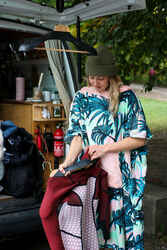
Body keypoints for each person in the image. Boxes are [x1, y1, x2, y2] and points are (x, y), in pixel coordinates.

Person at [49, 45, 152, 249]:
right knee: (95, 234)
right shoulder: (82, 97)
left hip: (123, 182)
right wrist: (69, 161)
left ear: (111, 76)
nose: (95, 82)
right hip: (93, 180)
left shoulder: (128, 98)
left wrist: (106, 148)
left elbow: (140, 139)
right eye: (91, 77)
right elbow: (77, 135)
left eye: (100, 78)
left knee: (122, 235)